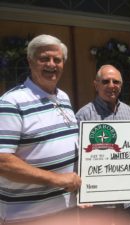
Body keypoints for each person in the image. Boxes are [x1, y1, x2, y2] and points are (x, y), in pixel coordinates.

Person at [0, 34, 81, 224]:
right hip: (27, 215)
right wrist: (56, 179)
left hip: (67, 209)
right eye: (44, 58)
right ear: (30, 61)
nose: (51, 64)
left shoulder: (63, 97)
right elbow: (3, 161)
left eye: (57, 60)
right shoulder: (11, 102)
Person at [75, 64, 130, 221]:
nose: (111, 86)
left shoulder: (128, 112)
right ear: (96, 85)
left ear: (121, 86)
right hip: (97, 202)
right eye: (106, 81)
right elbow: (76, 157)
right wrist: (81, 193)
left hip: (126, 198)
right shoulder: (84, 115)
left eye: (116, 82)